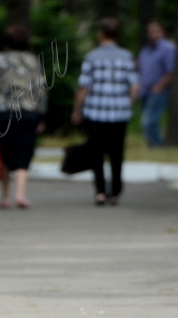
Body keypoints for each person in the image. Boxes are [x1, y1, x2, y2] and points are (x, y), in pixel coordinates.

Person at [72, 18, 140, 207]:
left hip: (95, 113)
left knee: (96, 153)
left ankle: (100, 192)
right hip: (119, 114)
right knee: (117, 153)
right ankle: (116, 192)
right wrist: (128, 103)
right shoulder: (127, 56)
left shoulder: (92, 57)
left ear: (101, 33)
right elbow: (135, 86)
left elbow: (84, 87)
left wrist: (77, 109)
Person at [0, 26, 48, 209]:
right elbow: (40, 89)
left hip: (2, 113)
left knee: (5, 153)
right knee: (24, 153)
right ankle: (20, 194)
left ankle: (5, 196)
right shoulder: (32, 60)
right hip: (28, 112)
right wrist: (42, 115)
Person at [138, 20, 176, 148]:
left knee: (148, 122)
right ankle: (152, 147)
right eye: (150, 31)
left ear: (162, 32)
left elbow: (170, 71)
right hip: (144, 91)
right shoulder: (146, 49)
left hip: (158, 91)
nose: (153, 34)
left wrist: (159, 86)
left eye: (156, 31)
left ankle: (159, 147)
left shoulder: (168, 48)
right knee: (147, 122)